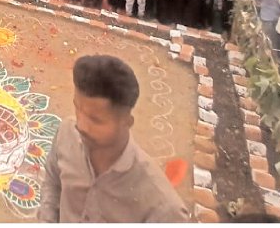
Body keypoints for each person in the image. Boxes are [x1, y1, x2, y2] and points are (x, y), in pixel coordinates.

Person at [39, 55, 188, 223]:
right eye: (77, 109)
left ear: (127, 123)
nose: (81, 125)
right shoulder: (66, 133)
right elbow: (52, 182)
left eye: (95, 120)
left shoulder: (163, 208)